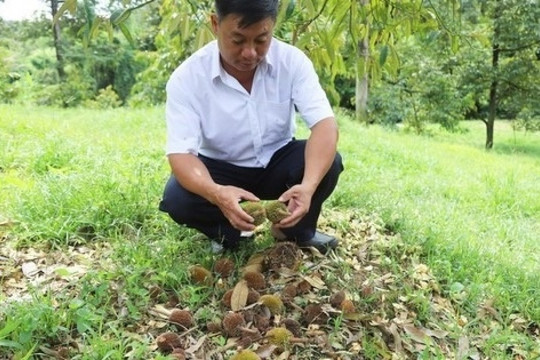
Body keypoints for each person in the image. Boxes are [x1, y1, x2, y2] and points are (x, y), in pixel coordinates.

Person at [159, 0, 344, 254]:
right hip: (221, 171)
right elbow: (180, 154)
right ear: (215, 24)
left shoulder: (292, 62)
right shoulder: (187, 78)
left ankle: (293, 231)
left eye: (261, 40)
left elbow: (325, 125)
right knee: (178, 198)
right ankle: (231, 234)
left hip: (277, 164)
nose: (250, 53)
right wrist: (216, 193)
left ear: (273, 25)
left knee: (329, 162)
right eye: (237, 40)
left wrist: (309, 186)